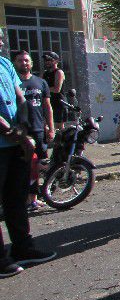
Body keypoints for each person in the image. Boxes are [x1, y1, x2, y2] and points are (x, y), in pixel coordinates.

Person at [0, 30, 56, 278]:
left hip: (16, 143)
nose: (1, 41)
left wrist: (23, 129)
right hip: (6, 143)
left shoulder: (3, 63)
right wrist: (17, 134)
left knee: (16, 197)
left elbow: (20, 98)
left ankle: (23, 248)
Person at [13, 51, 54, 211]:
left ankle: (34, 198)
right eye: (20, 60)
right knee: (21, 167)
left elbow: (47, 106)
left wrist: (51, 128)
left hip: (38, 129)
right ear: (15, 63)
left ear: (31, 63)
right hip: (19, 132)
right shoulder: (12, 82)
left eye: (26, 60)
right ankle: (20, 199)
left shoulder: (40, 82)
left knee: (36, 166)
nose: (24, 63)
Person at [42, 51, 65, 130]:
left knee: (59, 128)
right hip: (48, 102)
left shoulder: (59, 72)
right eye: (46, 60)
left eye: (50, 60)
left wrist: (44, 89)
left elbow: (57, 89)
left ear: (56, 61)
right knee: (46, 126)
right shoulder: (45, 73)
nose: (47, 62)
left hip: (58, 103)